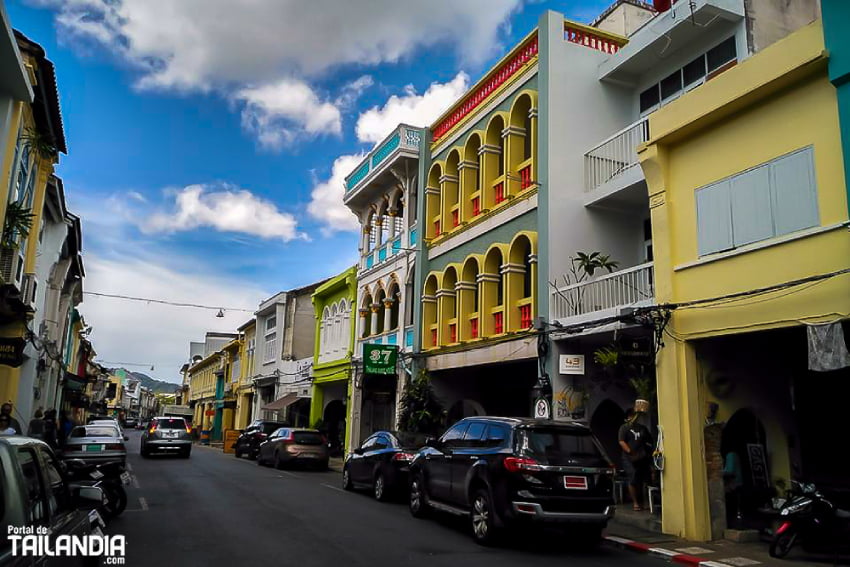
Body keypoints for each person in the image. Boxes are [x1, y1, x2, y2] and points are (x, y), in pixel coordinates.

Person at [618, 407, 654, 511]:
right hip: (629, 459)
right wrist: (629, 451)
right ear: (629, 417)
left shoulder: (642, 428)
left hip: (642, 457)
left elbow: (649, 441)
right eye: (633, 415)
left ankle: (646, 502)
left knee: (646, 480)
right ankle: (636, 503)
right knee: (633, 478)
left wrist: (647, 452)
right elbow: (621, 441)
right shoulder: (624, 428)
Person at [723, 450, 744, 527]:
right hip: (736, 485)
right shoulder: (734, 455)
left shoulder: (730, 455)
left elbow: (730, 471)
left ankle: (733, 524)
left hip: (734, 486)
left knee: (732, 508)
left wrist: (720, 472)